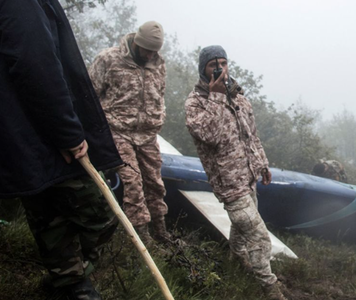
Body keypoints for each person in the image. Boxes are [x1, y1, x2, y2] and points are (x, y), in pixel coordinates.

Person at [0, 0, 123, 298]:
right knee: (96, 211)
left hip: (27, 128)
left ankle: (67, 280)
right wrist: (66, 131)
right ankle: (69, 281)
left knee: (49, 206)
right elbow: (34, 61)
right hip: (37, 129)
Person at [185, 45, 287, 300]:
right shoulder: (195, 102)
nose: (220, 68)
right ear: (203, 69)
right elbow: (211, 136)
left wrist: (261, 164)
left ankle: (236, 260)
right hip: (228, 182)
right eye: (213, 65)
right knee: (259, 236)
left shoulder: (239, 97)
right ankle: (270, 288)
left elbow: (251, 135)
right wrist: (217, 96)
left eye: (223, 62)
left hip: (248, 175)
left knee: (242, 228)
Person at [88, 21, 171, 245]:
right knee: (132, 181)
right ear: (136, 42)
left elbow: (159, 94)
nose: (150, 55)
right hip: (118, 131)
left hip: (147, 136)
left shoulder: (158, 64)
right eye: (147, 50)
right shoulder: (109, 59)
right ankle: (141, 237)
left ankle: (160, 230)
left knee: (155, 183)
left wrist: (158, 117)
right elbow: (89, 95)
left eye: (155, 51)